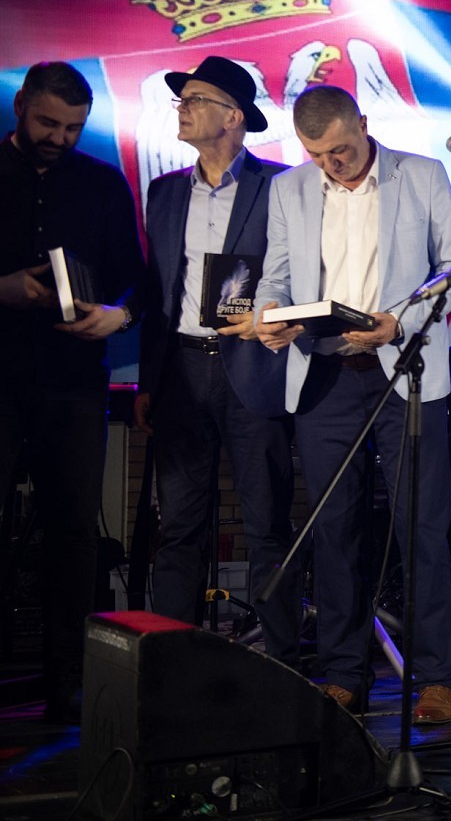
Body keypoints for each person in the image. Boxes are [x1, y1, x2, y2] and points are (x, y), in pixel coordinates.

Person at [254, 85, 451, 725]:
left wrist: (399, 323)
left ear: (364, 125)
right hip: (324, 376)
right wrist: (271, 314)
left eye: (341, 151)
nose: (332, 164)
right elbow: (275, 274)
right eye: (318, 155)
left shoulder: (421, 175)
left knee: (420, 526)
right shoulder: (289, 189)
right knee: (334, 530)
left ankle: (436, 677)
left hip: (403, 372)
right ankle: (344, 674)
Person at [134, 56, 299, 662]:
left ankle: (282, 663)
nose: (182, 108)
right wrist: (149, 381)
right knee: (178, 526)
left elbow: (301, 275)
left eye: (195, 99)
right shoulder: (164, 191)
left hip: (252, 368)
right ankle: (168, 663)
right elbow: (158, 291)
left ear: (233, 116)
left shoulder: (279, 186)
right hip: (180, 371)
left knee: (267, 525)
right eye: (181, 99)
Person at [0, 62, 144, 722]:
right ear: (20, 107)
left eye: (72, 128)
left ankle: (68, 685)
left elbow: (135, 279)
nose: (58, 138)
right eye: (47, 123)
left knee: (75, 533)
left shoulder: (102, 183)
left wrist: (118, 315)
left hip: (74, 382)